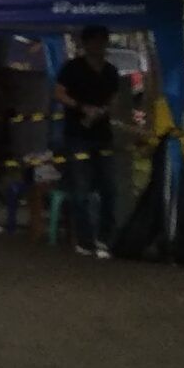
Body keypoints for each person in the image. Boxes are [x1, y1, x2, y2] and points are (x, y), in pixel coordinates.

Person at [53, 25, 129, 258]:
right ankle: (85, 240)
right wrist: (80, 107)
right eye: (94, 42)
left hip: (103, 135)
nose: (98, 46)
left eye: (102, 42)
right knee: (81, 189)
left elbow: (115, 97)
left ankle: (106, 238)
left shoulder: (111, 71)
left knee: (109, 189)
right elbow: (59, 93)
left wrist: (104, 110)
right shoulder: (72, 68)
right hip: (77, 135)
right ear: (85, 44)